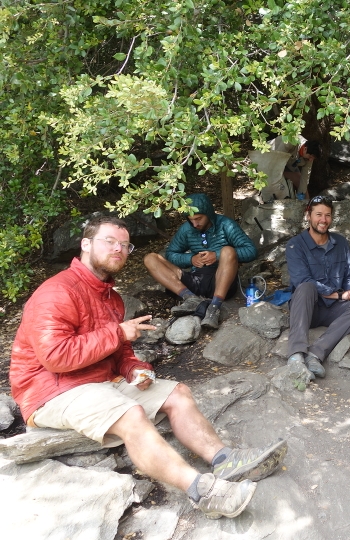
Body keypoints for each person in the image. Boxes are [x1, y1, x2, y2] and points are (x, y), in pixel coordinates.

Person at [9, 216, 287, 519]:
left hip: (97, 382)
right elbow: (55, 357)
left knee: (177, 393)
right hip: (50, 392)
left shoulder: (111, 298)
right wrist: (117, 333)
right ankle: (203, 492)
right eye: (110, 241)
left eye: (125, 245)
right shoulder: (56, 292)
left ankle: (225, 459)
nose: (119, 249)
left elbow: (120, 352)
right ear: (85, 244)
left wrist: (134, 370)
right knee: (131, 414)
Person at [285, 195, 350, 379]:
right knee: (306, 286)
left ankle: (315, 354)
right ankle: (296, 354)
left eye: (327, 215)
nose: (323, 220)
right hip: (308, 309)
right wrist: (342, 296)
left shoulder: (341, 243)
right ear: (308, 215)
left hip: (334, 310)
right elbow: (302, 280)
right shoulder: (295, 245)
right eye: (318, 214)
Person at [143, 193, 257, 330]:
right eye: (191, 220)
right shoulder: (187, 229)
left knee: (227, 250)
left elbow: (251, 251)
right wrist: (191, 258)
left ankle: (214, 308)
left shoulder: (226, 225)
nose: (195, 224)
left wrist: (217, 255)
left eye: (198, 219)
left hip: (221, 281)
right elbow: (171, 254)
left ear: (208, 213)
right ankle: (190, 299)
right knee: (150, 258)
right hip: (195, 279)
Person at [251, 136, 322, 201]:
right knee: (279, 187)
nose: (310, 160)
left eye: (313, 158)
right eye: (310, 157)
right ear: (305, 149)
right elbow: (277, 161)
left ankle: (307, 205)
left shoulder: (310, 156)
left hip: (287, 164)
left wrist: (301, 193)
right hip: (268, 159)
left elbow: (305, 176)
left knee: (300, 182)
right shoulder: (291, 140)